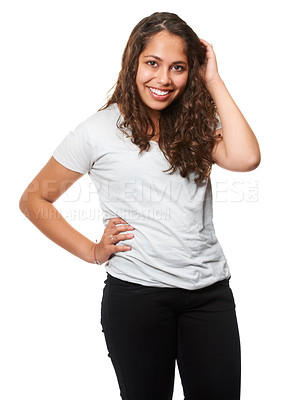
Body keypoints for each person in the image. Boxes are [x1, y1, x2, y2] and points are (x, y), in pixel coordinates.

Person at [19, 11, 261, 400]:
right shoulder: (97, 131)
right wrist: (92, 251)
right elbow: (34, 198)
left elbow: (247, 158)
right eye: (152, 63)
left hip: (209, 294)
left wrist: (213, 79)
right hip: (138, 298)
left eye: (178, 67)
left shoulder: (199, 123)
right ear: (133, 62)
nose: (163, 79)